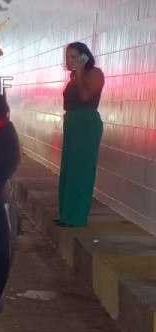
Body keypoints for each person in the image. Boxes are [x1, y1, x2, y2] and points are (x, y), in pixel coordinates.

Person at [56, 42, 105, 227]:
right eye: (68, 57)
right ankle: (67, 214)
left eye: (74, 56)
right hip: (73, 122)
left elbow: (86, 97)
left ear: (85, 57)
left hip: (86, 123)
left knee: (81, 170)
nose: (69, 60)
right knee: (69, 169)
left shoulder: (94, 73)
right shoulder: (75, 76)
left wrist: (81, 71)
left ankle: (76, 217)